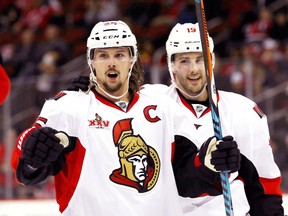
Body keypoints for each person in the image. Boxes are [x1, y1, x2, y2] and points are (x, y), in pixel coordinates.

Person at [11, 20, 240, 216]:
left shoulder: (162, 104)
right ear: (91, 61)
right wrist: (33, 156)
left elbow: (185, 176)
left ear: (132, 59)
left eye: (119, 54)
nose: (111, 62)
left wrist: (209, 166)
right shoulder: (69, 107)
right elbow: (25, 168)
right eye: (103, 55)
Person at [69, 22, 284, 216]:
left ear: (212, 61)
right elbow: (109, 107)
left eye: (200, 59)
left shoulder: (244, 111)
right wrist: (88, 94)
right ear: (171, 65)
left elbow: (265, 187)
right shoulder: (150, 103)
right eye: (184, 60)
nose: (193, 70)